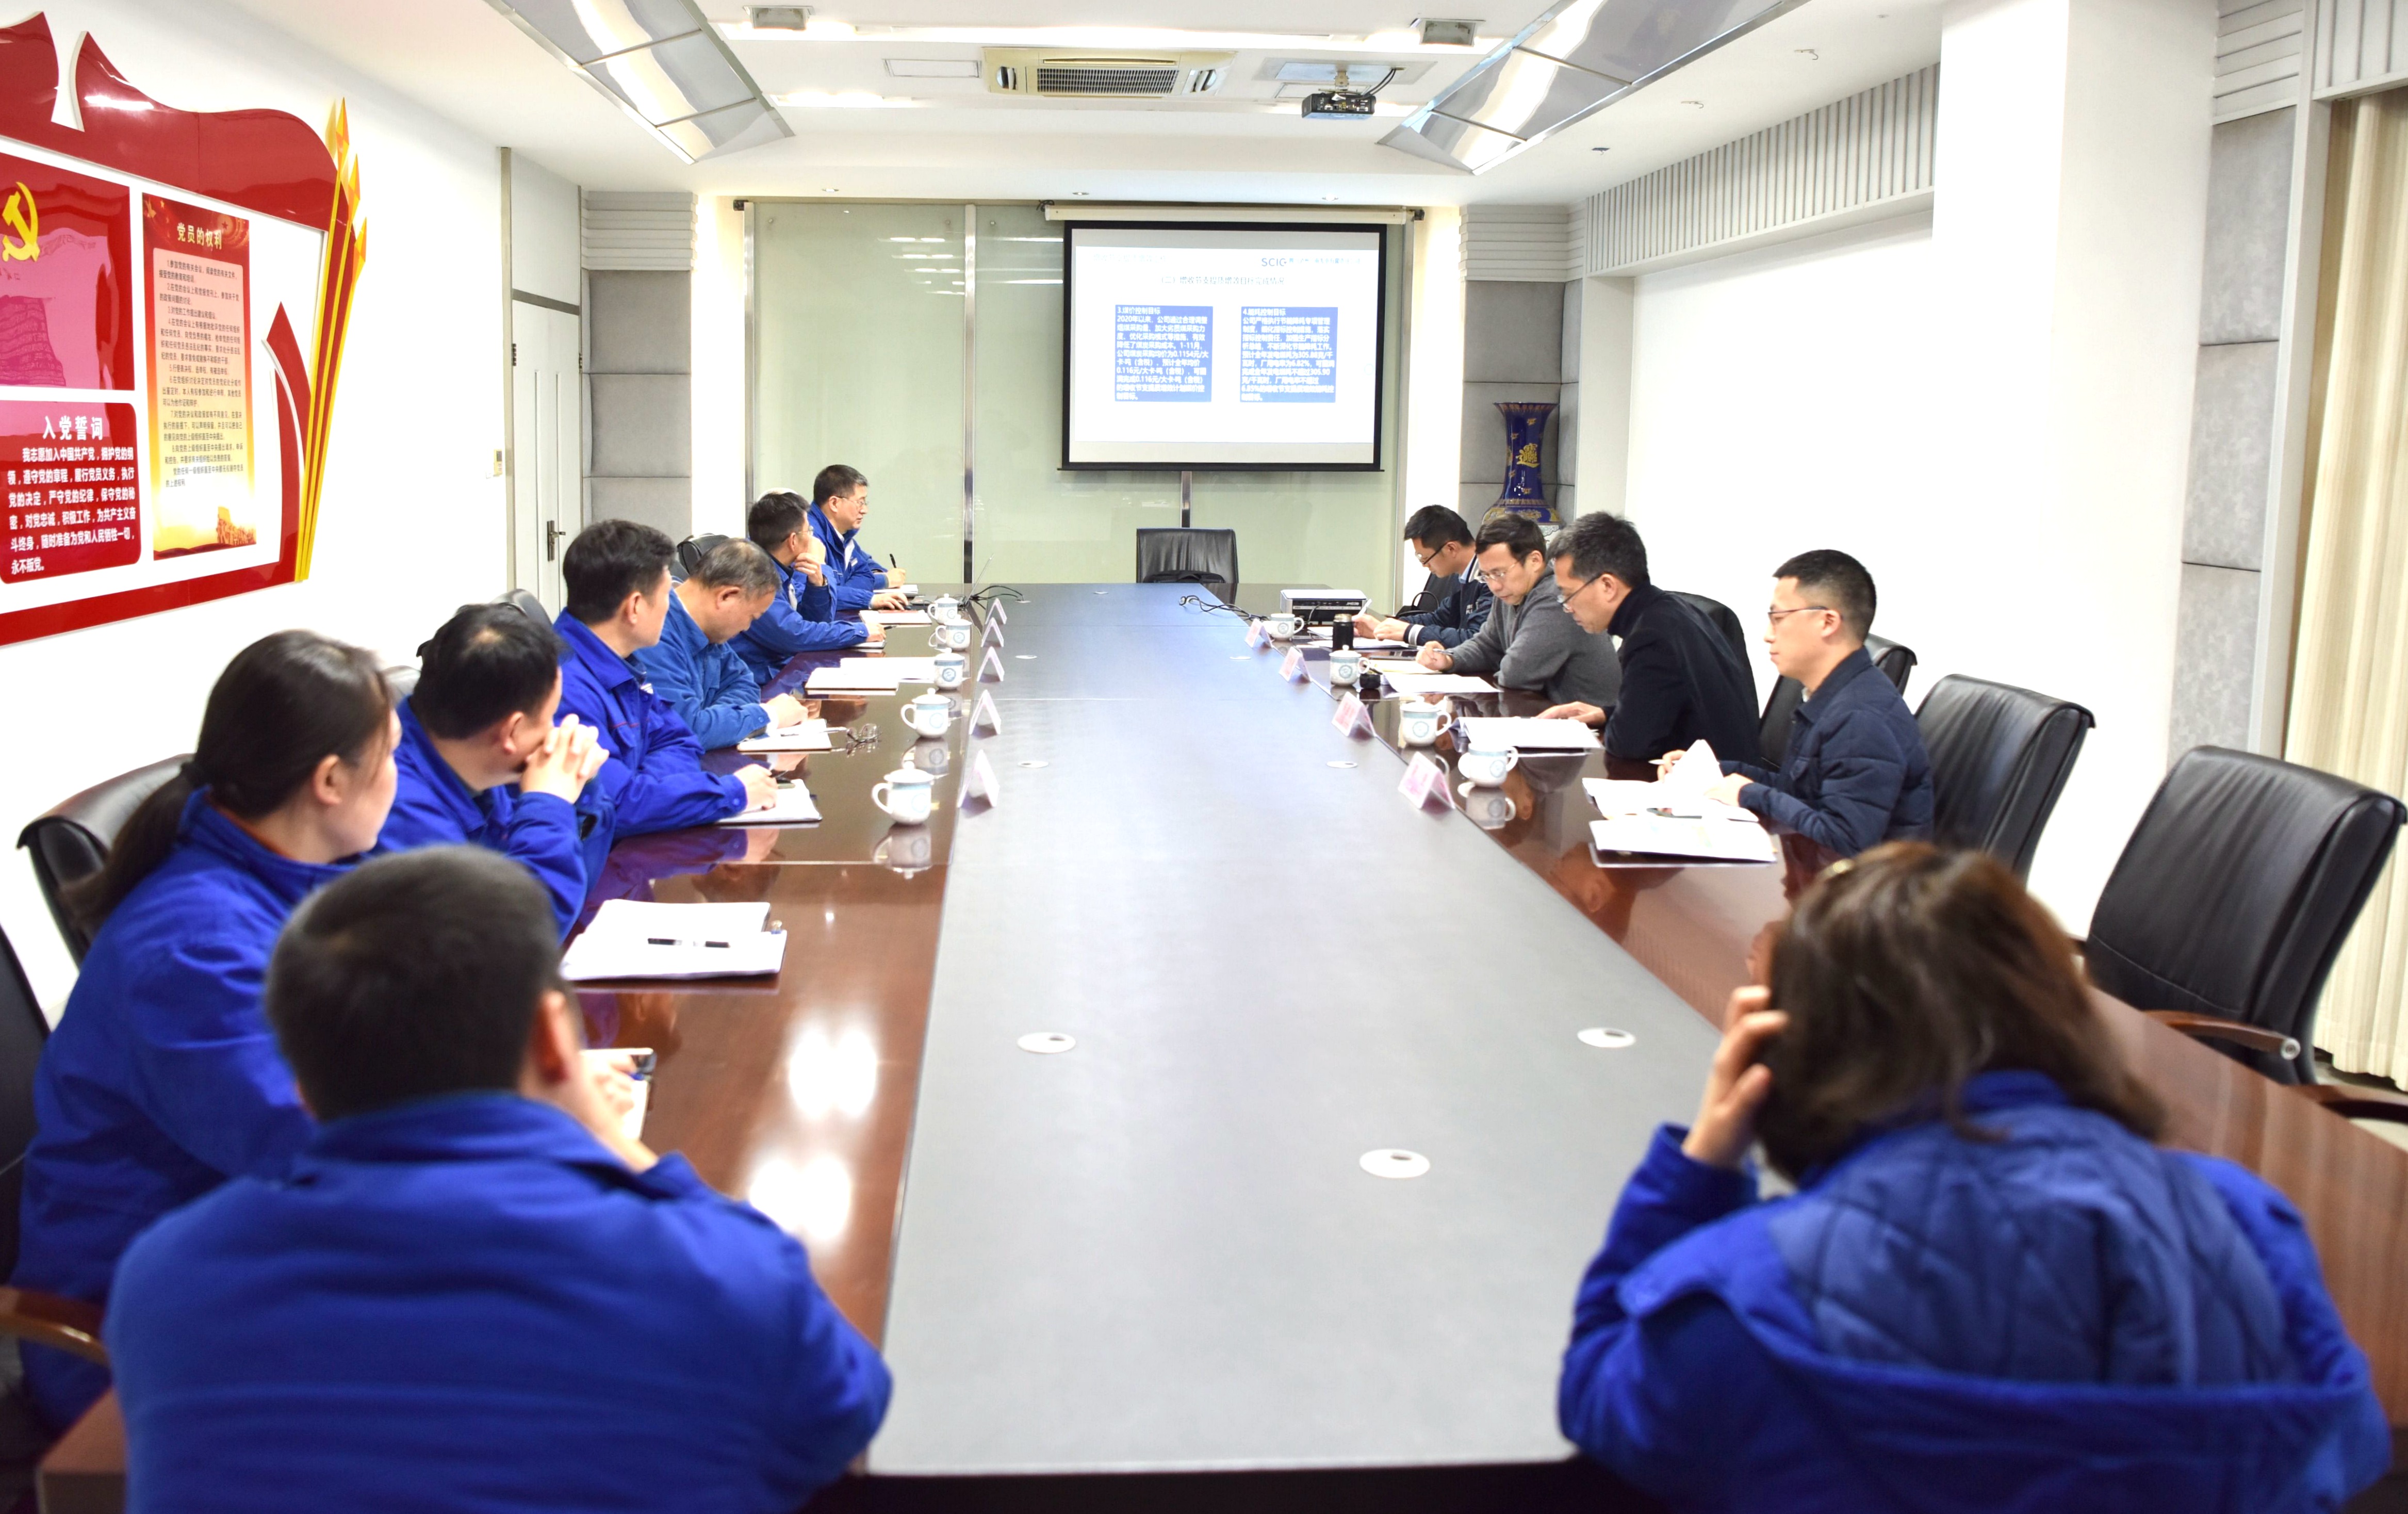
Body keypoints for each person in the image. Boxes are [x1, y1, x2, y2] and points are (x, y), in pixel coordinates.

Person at [1559, 844, 2389, 1513]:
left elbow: (1598, 1384)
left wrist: (1703, 1163)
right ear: (2066, 1018)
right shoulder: (2247, 1224)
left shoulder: (1740, 1304)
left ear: (1782, 1055)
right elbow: (2348, 1440)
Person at [108, 848, 892, 1511]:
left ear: (303, 1088)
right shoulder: (720, 1273)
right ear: (555, 1038)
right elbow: (846, 1413)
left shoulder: (165, 1282)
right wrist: (617, 1141)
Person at [12, 631, 400, 1431]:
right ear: (330, 781)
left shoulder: (292, 877)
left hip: (252, 1251)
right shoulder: (194, 946)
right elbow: (320, 1147)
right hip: (140, 1325)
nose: (402, 777)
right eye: (391, 755)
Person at [372, 604, 607, 933]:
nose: (555, 731)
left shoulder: (480, 760)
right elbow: (519, 935)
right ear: (512, 732)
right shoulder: (397, 809)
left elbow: (580, 889)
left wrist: (582, 787)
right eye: (549, 717)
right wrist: (550, 803)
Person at [1696, 550, 1934, 856]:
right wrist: (1711, 770)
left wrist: (1751, 794)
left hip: (1862, 882)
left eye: (1778, 619)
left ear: (1827, 622)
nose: (1768, 635)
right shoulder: (1833, 694)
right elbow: (1798, 793)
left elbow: (1844, 842)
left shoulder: (1860, 719)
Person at [552, 519, 775, 835]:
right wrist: (732, 793)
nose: (673, 605)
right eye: (667, 593)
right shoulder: (562, 687)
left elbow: (677, 738)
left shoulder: (621, 662)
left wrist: (652, 789)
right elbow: (617, 807)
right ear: (635, 607)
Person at [1538, 512, 1761, 765]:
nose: (1567, 607)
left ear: (1607, 586)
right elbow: (1664, 709)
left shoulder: (1651, 636)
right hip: (1727, 769)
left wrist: (1618, 723)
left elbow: (1629, 744)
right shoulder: (1673, 611)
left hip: (1715, 780)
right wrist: (1606, 713)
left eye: (1568, 594)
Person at [1416, 515, 1619, 709]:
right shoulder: (1510, 592)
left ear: (1534, 561)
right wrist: (1449, 659)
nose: (1494, 586)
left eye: (1500, 573)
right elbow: (1486, 645)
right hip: (1546, 715)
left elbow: (1517, 674)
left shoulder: (1555, 598)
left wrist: (1497, 662)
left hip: (1588, 727)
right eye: (1486, 576)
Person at [632, 538, 812, 751]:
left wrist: (716, 724)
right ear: (727, 596)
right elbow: (684, 730)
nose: (747, 627)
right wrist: (768, 716)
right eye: (752, 617)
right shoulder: (653, 634)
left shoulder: (709, 630)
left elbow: (744, 682)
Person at [729, 490, 881, 683]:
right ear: (793, 541)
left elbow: (817, 622)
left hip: (781, 671)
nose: (813, 539)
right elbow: (795, 635)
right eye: (809, 532)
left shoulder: (781, 570)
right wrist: (859, 631)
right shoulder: (755, 577)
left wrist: (818, 583)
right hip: (761, 682)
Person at [1352, 505, 1492, 649]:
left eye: (1425, 558)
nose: (1425, 565)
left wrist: (1408, 632)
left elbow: (1475, 639)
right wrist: (1387, 626)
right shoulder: (1463, 576)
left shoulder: (1490, 580)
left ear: (1451, 548)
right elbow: (1440, 618)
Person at [808, 464, 909, 615]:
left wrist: (844, 591)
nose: (865, 510)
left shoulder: (843, 534)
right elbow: (820, 596)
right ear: (834, 504)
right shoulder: (808, 537)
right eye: (860, 502)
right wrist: (871, 595)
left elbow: (865, 573)